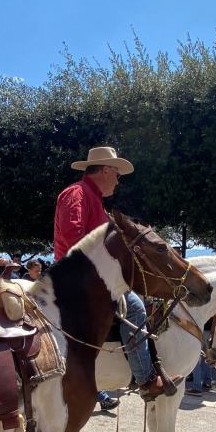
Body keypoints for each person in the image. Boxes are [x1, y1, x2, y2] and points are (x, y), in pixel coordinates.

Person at [54, 145, 181, 405]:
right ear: (104, 170)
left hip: (86, 277)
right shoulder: (76, 194)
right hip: (77, 278)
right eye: (117, 174)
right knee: (134, 307)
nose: (118, 180)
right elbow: (73, 236)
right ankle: (146, 380)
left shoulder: (94, 201)